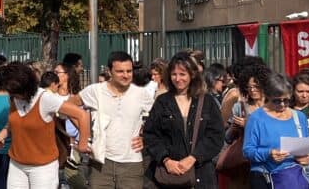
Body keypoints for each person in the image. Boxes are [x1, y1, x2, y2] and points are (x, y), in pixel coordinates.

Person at [0, 62, 90, 189]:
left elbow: (81, 115)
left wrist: (83, 143)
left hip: (43, 168)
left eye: (14, 93)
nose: (12, 96)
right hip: (16, 164)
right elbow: (14, 120)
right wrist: (4, 132)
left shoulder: (45, 99)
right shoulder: (14, 97)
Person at [142, 54, 224, 188]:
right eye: (174, 74)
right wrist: (166, 160)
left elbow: (216, 135)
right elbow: (151, 135)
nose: (178, 78)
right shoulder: (163, 101)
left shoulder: (207, 101)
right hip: (168, 176)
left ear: (192, 75)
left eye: (182, 74)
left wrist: (193, 157)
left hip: (201, 175)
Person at [74, 51, 152, 188]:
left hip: (132, 164)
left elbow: (159, 120)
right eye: (120, 71)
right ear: (110, 71)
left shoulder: (141, 94)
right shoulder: (95, 91)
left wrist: (145, 137)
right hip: (100, 163)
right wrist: (84, 133)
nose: (126, 75)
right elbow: (67, 106)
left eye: (129, 71)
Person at [242, 74, 309, 188]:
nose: (283, 104)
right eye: (277, 101)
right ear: (268, 96)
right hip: (265, 179)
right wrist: (268, 153)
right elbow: (247, 151)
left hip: (293, 179)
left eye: (287, 100)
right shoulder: (256, 118)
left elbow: (306, 149)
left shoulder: (299, 117)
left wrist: (306, 158)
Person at [221, 57, 270, 189]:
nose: (252, 90)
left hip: (266, 162)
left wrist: (248, 125)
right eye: (249, 87)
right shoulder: (239, 107)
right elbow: (227, 137)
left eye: (256, 86)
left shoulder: (273, 107)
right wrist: (234, 128)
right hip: (241, 163)